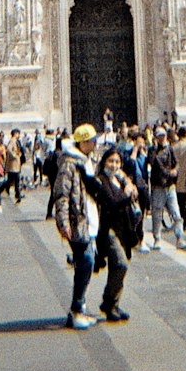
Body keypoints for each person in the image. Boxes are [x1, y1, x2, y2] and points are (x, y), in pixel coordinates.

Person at [53, 123, 103, 328]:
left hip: (88, 219)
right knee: (87, 260)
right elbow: (62, 194)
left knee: (87, 261)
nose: (95, 143)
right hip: (77, 221)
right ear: (83, 142)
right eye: (92, 140)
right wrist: (63, 222)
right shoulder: (69, 164)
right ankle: (76, 310)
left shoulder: (87, 161)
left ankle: (79, 309)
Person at [94, 143, 141, 322]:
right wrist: (128, 194)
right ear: (104, 162)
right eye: (111, 161)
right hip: (108, 229)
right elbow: (112, 201)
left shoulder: (119, 179)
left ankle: (113, 304)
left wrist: (131, 187)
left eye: (117, 162)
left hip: (123, 228)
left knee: (117, 266)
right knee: (121, 264)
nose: (114, 165)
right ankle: (108, 302)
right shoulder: (101, 179)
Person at [148, 128, 186, 250]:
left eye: (164, 135)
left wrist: (175, 170)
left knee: (176, 213)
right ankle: (157, 239)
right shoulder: (152, 150)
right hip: (158, 186)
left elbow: (176, 162)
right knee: (157, 214)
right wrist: (168, 172)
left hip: (169, 186)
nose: (162, 138)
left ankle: (180, 238)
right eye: (159, 136)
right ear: (155, 137)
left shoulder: (170, 148)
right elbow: (153, 163)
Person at [4, 129, 24, 204]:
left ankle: (16, 193)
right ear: (15, 133)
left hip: (15, 164)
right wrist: (14, 156)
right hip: (13, 165)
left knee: (12, 180)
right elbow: (8, 149)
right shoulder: (12, 141)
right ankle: (17, 194)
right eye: (18, 133)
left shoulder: (16, 141)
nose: (19, 135)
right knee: (14, 180)